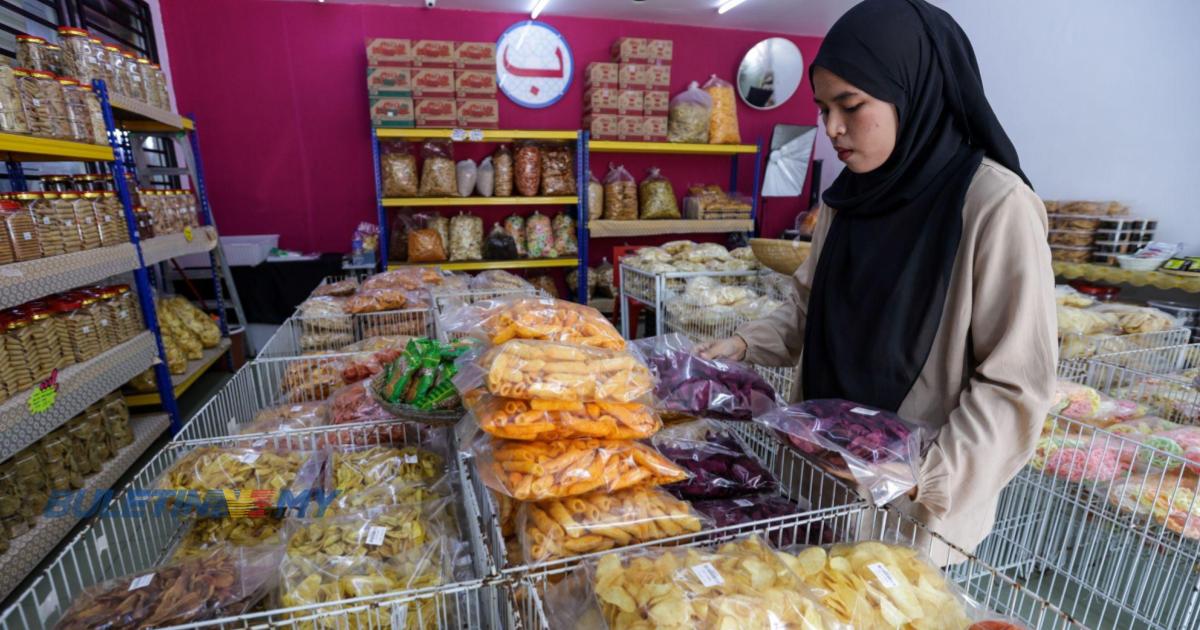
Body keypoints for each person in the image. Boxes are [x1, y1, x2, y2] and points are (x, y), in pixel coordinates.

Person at [699, 0, 1056, 554]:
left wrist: (923, 474)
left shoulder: (993, 205)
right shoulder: (847, 199)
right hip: (816, 478)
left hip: (910, 512)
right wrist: (744, 344)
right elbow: (809, 306)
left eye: (850, 105)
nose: (832, 128)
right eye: (823, 109)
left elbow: (1016, 384)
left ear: (911, 91)